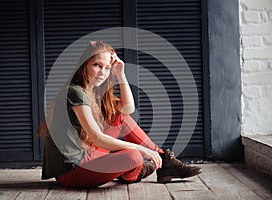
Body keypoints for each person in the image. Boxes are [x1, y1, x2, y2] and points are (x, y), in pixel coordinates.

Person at [37, 40, 202, 188]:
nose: (102, 72)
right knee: (134, 157)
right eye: (97, 65)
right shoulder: (75, 92)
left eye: (107, 68)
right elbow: (97, 138)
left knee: (119, 118)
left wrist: (120, 73)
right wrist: (143, 150)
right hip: (71, 172)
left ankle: (162, 161)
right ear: (84, 65)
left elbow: (127, 109)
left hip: (87, 156)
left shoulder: (93, 92)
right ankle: (132, 172)